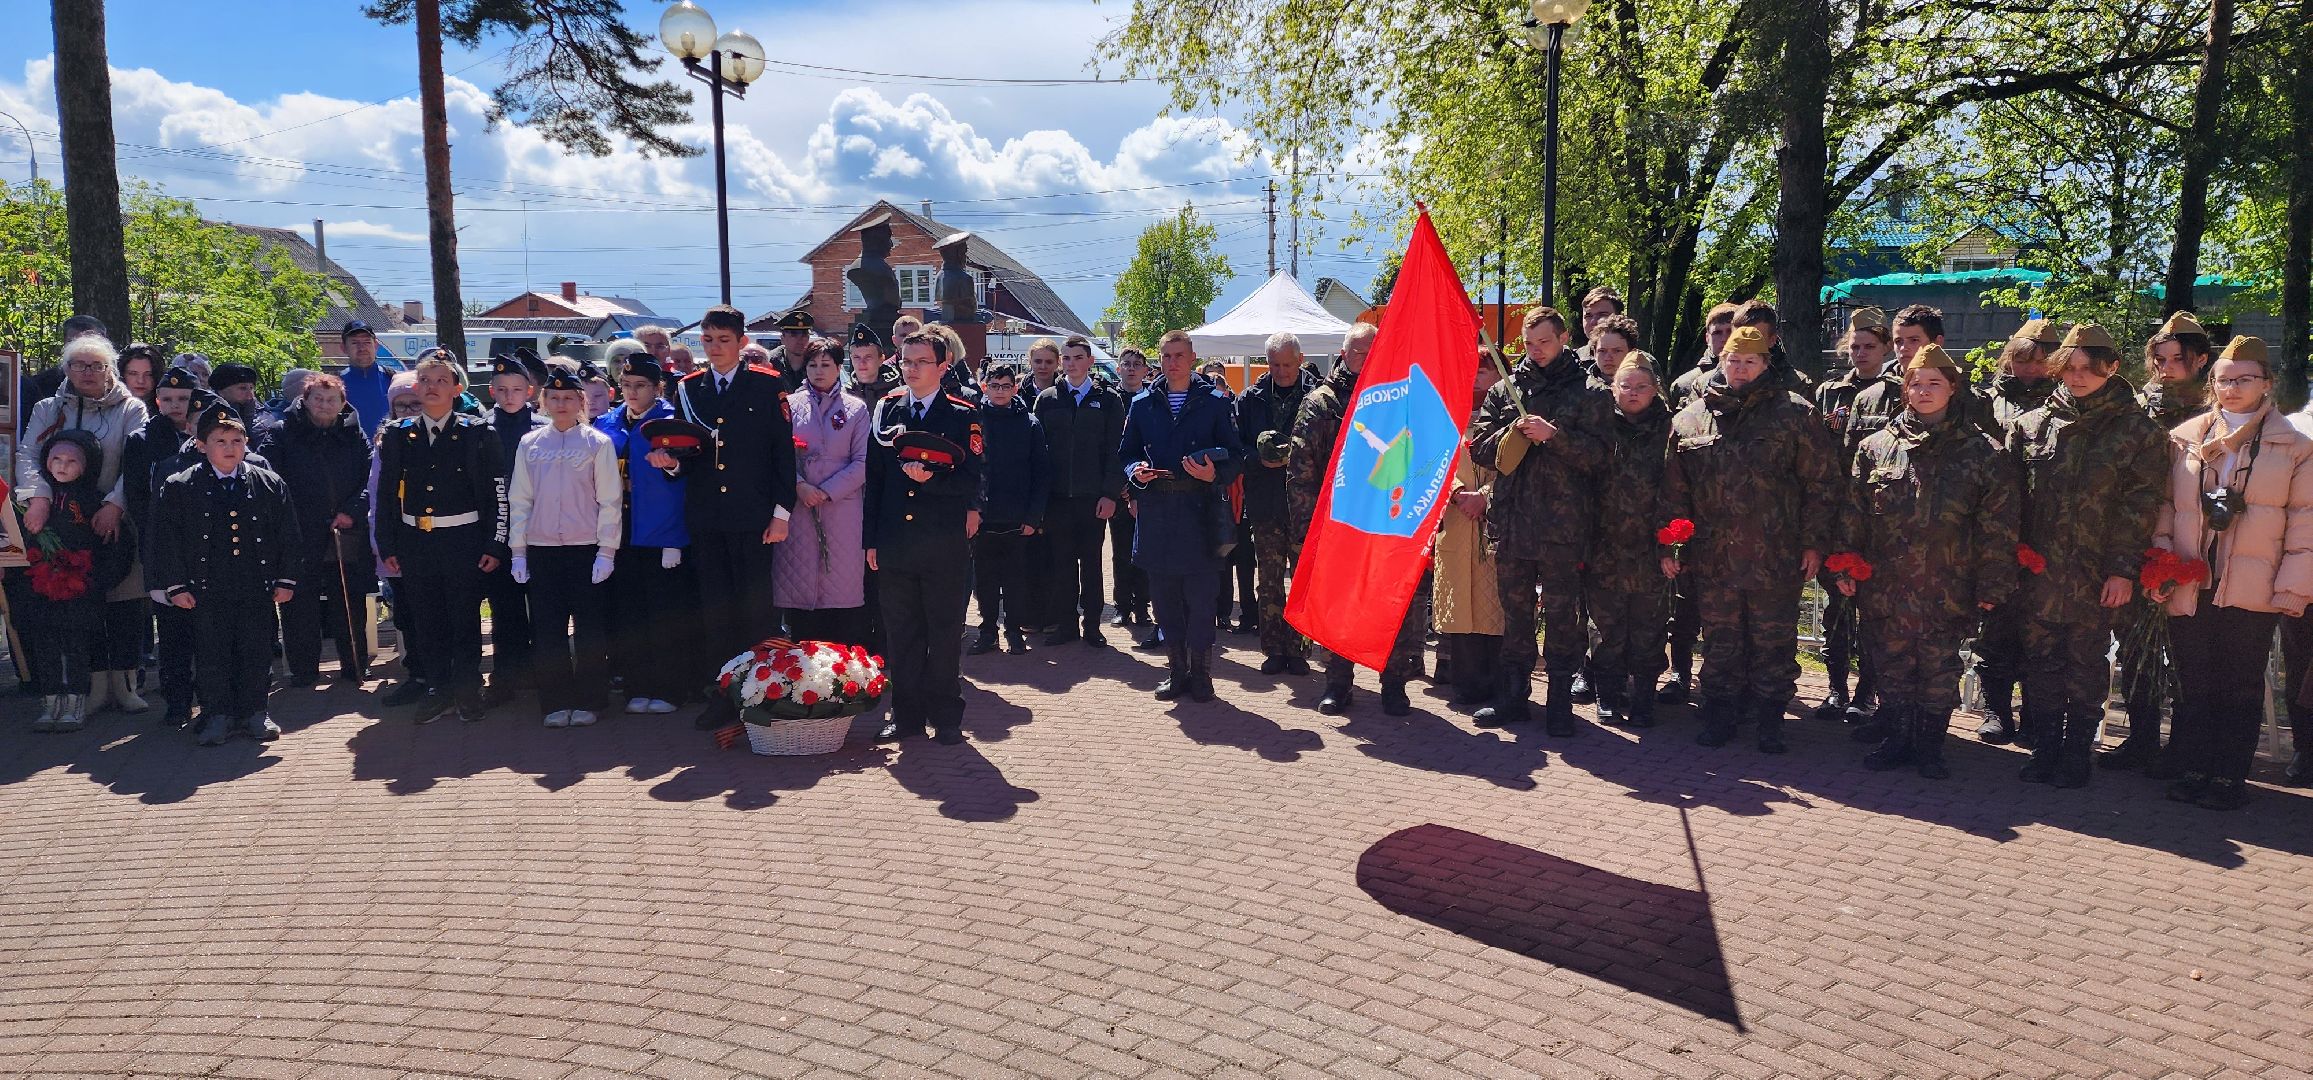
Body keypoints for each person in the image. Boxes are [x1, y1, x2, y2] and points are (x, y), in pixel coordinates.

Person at [1838, 344, 2019, 779]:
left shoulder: (1984, 453)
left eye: (1934, 384)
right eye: (1915, 384)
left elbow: (1998, 527)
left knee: (1939, 670)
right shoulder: (1876, 448)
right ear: (1904, 390)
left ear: (1953, 389)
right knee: (1892, 665)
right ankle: (1897, 739)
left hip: (1948, 584)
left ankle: (1930, 747)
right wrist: (1846, 565)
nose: (1923, 391)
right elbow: (1854, 515)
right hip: (1888, 583)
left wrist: (1993, 585)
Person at [2146, 336, 2311, 809]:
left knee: (2239, 682)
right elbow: (2164, 507)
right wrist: (2160, 561)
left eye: (2245, 379)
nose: (2233, 388)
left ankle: (2228, 777)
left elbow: (2305, 522)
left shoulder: (2296, 447)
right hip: (2191, 578)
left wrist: (2293, 589)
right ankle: (2196, 767)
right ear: (2211, 384)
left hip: (2254, 585)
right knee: (2194, 678)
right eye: (2224, 379)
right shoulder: (2186, 437)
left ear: (2267, 383)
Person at [1661, 323, 1839, 753]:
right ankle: (1720, 713)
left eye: (1750, 361)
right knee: (1720, 639)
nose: (1740, 368)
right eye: (1733, 360)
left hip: (1775, 557)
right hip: (1713, 558)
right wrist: (1672, 545)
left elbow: (1821, 483)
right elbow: (1673, 490)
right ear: (1722, 361)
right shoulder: (1691, 417)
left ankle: (1770, 720)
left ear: (1765, 364)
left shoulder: (1794, 412)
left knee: (1773, 641)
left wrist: (1814, 542)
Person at [2006, 324, 2169, 788]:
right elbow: (2012, 501)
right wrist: (2013, 561)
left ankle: (2077, 750)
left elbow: (2139, 509)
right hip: (2039, 570)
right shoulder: (2033, 424)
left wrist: (2121, 570)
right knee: (2039, 660)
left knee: (2085, 663)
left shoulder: (2138, 431)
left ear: (2113, 368)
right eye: (2068, 369)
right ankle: (2045, 748)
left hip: (2096, 572)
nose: (2075, 379)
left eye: (2087, 371)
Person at [1467, 306, 1609, 732]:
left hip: (1564, 526)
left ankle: (1560, 702)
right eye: (1529, 344)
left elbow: (1602, 458)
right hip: (1513, 522)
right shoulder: (1505, 390)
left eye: (1544, 342)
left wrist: (1556, 437)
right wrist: (1512, 432)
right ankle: (1513, 697)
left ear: (1564, 338)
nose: (1536, 351)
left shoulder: (1590, 391)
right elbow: (1479, 449)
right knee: (1516, 615)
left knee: (1564, 617)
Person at [655, 305, 796, 728]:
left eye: (723, 340)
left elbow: (781, 455)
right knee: (716, 609)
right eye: (708, 340)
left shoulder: (768, 386)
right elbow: (687, 450)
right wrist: (671, 464)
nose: (715, 348)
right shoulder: (688, 388)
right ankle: (723, 697)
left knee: (756, 608)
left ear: (741, 342)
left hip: (752, 514)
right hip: (707, 515)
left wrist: (781, 512)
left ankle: (762, 695)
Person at [16, 335, 152, 718]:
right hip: (61, 524)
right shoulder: (47, 407)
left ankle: (125, 685)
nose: (87, 373)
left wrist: (114, 504)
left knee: (123, 600)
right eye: (79, 365)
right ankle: (89, 684)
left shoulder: (131, 409)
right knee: (76, 604)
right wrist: (39, 497)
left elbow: (135, 463)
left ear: (110, 369)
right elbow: (28, 454)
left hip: (113, 519)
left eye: (96, 366)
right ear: (67, 369)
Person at [148, 403, 299, 746]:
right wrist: (176, 585)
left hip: (254, 583)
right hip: (206, 585)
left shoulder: (268, 483)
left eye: (236, 440)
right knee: (211, 652)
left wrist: (286, 578)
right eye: (220, 441)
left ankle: (256, 711)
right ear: (201, 445)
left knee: (256, 649)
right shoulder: (179, 485)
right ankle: (217, 713)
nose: (229, 448)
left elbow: (288, 534)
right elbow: (166, 540)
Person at [2108, 310, 2217, 774]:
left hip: (2195, 541)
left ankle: (2187, 745)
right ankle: (2142, 736)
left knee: (2189, 649)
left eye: (2178, 359)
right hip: (2138, 537)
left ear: (2200, 360)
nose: (2166, 367)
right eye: (2160, 359)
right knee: (2135, 644)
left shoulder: (2214, 411)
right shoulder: (2135, 408)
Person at [375, 354, 509, 724]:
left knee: (464, 618)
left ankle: (467, 688)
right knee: (427, 620)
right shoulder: (400, 434)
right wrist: (387, 545)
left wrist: (495, 543)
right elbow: (386, 494)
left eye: (441, 380)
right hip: (416, 541)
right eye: (425, 380)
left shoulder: (478, 432)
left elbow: (497, 493)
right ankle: (437, 688)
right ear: (416, 388)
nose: (432, 386)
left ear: (457, 389)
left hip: (463, 540)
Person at [865, 331, 985, 744]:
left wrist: (932, 480)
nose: (910, 368)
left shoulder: (961, 414)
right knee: (901, 633)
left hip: (942, 543)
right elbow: (876, 481)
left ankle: (947, 716)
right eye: (905, 360)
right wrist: (871, 541)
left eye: (920, 361)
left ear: (942, 366)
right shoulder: (886, 409)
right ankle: (906, 715)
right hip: (896, 541)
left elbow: (972, 478)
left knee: (944, 631)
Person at [1291, 323, 1408, 711]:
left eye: (1374, 350)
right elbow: (1302, 470)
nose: (1367, 357)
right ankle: (1338, 683)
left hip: (1384, 522)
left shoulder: (1399, 398)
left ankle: (1393, 682)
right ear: (1344, 355)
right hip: (1338, 525)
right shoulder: (1323, 403)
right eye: (1359, 351)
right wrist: (1309, 530)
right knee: (1340, 607)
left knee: (1388, 602)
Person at [1121, 330, 1242, 703]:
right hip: (1158, 512)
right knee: (1165, 599)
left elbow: (1237, 456)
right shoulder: (1142, 404)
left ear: (1192, 357)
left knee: (1202, 600)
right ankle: (1177, 672)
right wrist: (1135, 472)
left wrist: (1214, 474)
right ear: (1159, 360)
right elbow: (1124, 453)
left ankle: (1202, 675)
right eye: (1166, 356)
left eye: (1179, 355)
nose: (1172, 363)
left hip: (1200, 512)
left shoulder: (1214, 402)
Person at [508, 367, 622, 728]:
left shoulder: (596, 443)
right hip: (542, 549)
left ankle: (591, 699)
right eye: (554, 398)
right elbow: (520, 499)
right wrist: (518, 551)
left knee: (590, 629)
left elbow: (609, 501)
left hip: (585, 548)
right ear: (543, 401)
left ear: (580, 402)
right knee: (548, 629)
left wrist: (606, 551)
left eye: (569, 398)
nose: (561, 404)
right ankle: (555, 701)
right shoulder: (530, 444)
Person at [1973, 318, 2065, 746]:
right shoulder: (1986, 401)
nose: (2031, 370)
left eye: (2041, 361)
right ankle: (1996, 709)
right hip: (1995, 527)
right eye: (2022, 360)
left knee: (2040, 631)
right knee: (1996, 626)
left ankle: (2034, 712)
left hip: (2048, 531)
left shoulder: (2065, 403)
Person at [257, 372, 375, 687]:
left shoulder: (355, 434)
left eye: (331, 400)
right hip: (298, 530)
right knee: (299, 604)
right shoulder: (280, 433)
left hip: (344, 529)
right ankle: (304, 671)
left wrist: (352, 511)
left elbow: (369, 479)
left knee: (348, 601)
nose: (324, 405)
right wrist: (289, 519)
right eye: (317, 399)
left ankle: (354, 666)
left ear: (342, 403)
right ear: (305, 400)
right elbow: (270, 479)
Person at [18, 431, 135, 733]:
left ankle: (75, 701)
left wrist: (99, 580)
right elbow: (21, 538)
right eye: (56, 458)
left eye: (72, 461)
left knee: (77, 645)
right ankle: (50, 701)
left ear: (87, 466)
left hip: (81, 588)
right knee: (45, 644)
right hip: (41, 587)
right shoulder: (34, 499)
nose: (62, 466)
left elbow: (117, 545)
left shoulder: (95, 501)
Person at [1812, 307, 1895, 727]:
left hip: (1878, 524)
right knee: (1836, 610)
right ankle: (1835, 688)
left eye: (1870, 346)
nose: (1861, 353)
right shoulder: (1830, 393)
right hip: (1836, 521)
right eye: (1855, 346)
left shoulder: (1899, 392)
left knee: (1874, 615)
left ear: (1886, 348)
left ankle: (1866, 694)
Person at [597, 353, 693, 714]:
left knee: (664, 614)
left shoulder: (670, 421)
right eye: (626, 386)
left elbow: (685, 481)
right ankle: (637, 684)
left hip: (660, 533)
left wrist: (674, 539)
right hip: (619, 531)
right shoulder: (607, 422)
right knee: (630, 613)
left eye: (640, 386)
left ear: (657, 388)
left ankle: (669, 688)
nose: (632, 393)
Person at [1659, 301, 1741, 702]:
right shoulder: (1686, 383)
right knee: (1684, 605)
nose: (1721, 338)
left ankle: (1728, 682)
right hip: (1693, 510)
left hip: (1736, 521)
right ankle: (1679, 672)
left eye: (1729, 331)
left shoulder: (1757, 379)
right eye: (1715, 331)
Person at [1587, 355, 1673, 728]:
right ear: (1613, 389)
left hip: (1651, 549)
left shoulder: (1672, 429)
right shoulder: (1598, 426)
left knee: (1649, 627)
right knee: (1606, 627)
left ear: (1655, 390)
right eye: (1625, 386)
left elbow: (1680, 488)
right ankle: (1608, 694)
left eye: (1641, 387)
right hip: (1604, 545)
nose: (1633, 393)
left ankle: (1643, 698)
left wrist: (1672, 544)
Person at [774, 339, 872, 648]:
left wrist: (827, 491)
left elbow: (863, 461)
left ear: (839, 368)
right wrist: (799, 485)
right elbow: (777, 455)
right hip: (799, 505)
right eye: (813, 364)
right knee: (800, 591)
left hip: (842, 508)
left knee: (842, 590)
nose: (819, 371)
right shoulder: (788, 405)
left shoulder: (855, 408)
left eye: (826, 364)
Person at [1033, 334, 1124, 649]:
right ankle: (1066, 625)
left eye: (1077, 358)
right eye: (1066, 358)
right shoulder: (1047, 399)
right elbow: (1037, 453)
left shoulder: (1109, 400)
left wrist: (1110, 494)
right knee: (1062, 565)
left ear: (1090, 361)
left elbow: (1116, 451)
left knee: (1091, 564)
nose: (1071, 364)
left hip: (1093, 499)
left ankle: (1093, 626)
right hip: (1057, 499)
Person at [1237, 332, 1315, 674]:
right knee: (1268, 580)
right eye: (1273, 364)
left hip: (1303, 506)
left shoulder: (1318, 397)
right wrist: (1258, 459)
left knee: (1302, 580)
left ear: (1300, 359)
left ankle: (1298, 650)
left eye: (1286, 364)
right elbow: (1233, 448)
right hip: (1266, 503)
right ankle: (1273, 649)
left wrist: (1297, 461)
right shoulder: (1250, 399)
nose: (1280, 371)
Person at [1434, 354, 1506, 707]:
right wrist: (1458, 494)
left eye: (1485, 371)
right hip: (1458, 522)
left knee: (1495, 607)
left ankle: (1499, 685)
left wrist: (1487, 498)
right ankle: (1465, 685)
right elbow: (1431, 464)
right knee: (1462, 607)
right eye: (1471, 370)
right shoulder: (1447, 414)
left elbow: (1520, 469)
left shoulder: (1511, 413)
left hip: (1497, 524)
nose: (1477, 378)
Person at [968, 361, 1050, 654]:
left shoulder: (1029, 423)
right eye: (994, 386)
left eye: (1006, 386)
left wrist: (1033, 515)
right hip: (984, 515)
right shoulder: (973, 421)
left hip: (1017, 515)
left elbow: (1041, 472)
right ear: (984, 387)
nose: (1000, 392)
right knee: (985, 580)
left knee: (1016, 579)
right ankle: (988, 630)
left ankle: (1014, 630)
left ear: (1015, 388)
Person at [479, 354, 545, 707]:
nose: (509, 397)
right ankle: (505, 675)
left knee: (541, 605)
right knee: (504, 608)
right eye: (502, 390)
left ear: (529, 392)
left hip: (539, 530)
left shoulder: (544, 428)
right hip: (498, 531)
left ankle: (539, 671)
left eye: (516, 390)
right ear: (491, 392)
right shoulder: (479, 428)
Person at [1109, 348, 1155, 637]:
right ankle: (1121, 605)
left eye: (1137, 365)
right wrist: (1122, 488)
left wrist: (1139, 489)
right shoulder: (1111, 400)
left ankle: (1143, 605)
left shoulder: (1151, 402)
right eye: (1126, 364)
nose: (1131, 369)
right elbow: (1111, 448)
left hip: (1146, 486)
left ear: (1146, 370)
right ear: (1118, 369)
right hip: (1119, 486)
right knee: (1120, 549)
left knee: (1145, 550)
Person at [339, 320, 395, 439]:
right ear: (343, 348)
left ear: (376, 345)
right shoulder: (336, 384)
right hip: (351, 452)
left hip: (388, 452)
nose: (362, 348)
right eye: (355, 343)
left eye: (367, 342)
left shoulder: (393, 379)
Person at [763, 308, 815, 392]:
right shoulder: (770, 362)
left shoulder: (818, 361)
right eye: (794, 334)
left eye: (804, 334)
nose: (800, 340)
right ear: (782, 338)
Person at [117, 343, 161, 410]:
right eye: (133, 373)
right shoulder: (106, 411)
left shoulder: (169, 411)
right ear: (121, 375)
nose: (141, 381)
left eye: (148, 374)